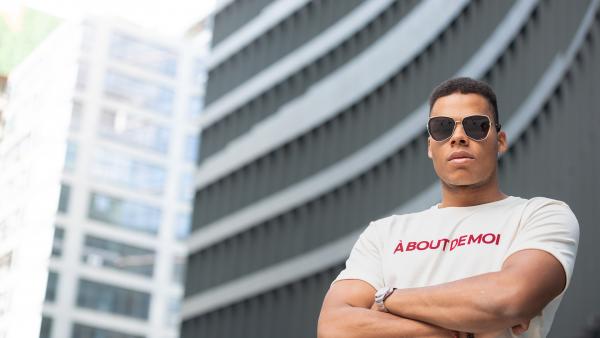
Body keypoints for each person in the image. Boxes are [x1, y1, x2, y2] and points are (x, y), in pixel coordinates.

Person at [317, 77, 579, 338]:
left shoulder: (540, 215)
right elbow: (334, 327)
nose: (459, 137)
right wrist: (456, 329)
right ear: (431, 146)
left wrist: (388, 300)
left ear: (499, 141)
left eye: (476, 126)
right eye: (442, 128)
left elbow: (511, 297)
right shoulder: (383, 234)